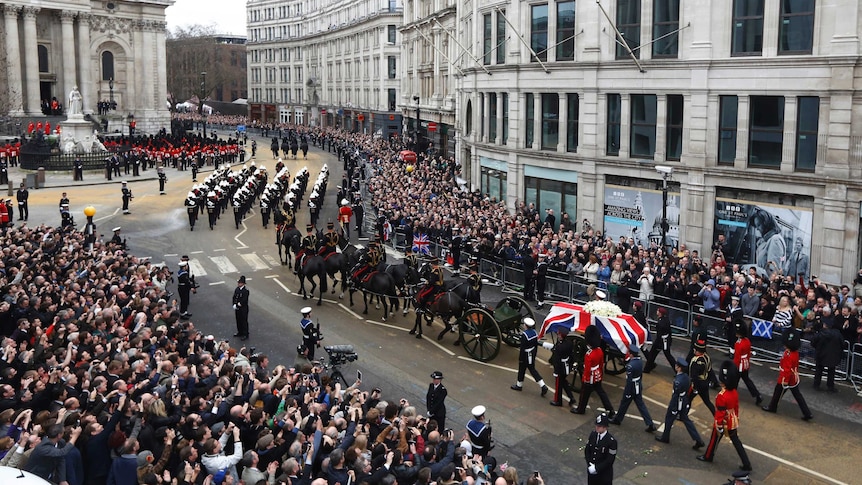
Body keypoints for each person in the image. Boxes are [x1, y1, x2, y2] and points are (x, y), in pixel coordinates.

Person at [697, 361, 753, 472]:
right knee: (736, 441)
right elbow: (736, 408)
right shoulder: (734, 392)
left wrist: (718, 424)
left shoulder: (722, 396)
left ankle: (708, 456)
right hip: (732, 420)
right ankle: (746, 463)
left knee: (714, 438)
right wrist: (735, 418)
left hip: (723, 422)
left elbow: (720, 413)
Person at [762, 328, 813, 420]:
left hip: (786, 378)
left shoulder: (789, 354)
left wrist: (784, 381)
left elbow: (787, 369)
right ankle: (807, 413)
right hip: (793, 377)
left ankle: (772, 407)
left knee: (778, 392)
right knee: (797, 395)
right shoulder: (794, 353)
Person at [655, 357, 705, 450]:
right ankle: (698, 440)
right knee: (686, 420)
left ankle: (665, 437)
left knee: (669, 418)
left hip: (677, 401)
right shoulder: (686, 378)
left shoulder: (678, 380)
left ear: (679, 368)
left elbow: (676, 395)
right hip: (684, 400)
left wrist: (674, 407)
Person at [609, 344, 655, 432]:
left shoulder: (631, 365)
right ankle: (650, 423)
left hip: (632, 387)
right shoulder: (639, 362)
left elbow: (629, 381)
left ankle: (618, 419)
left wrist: (627, 393)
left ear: (631, 354)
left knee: (624, 403)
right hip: (638, 385)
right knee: (641, 405)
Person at [572, 326, 615, 418]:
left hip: (590, 378)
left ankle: (580, 409)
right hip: (597, 375)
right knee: (601, 393)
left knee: (584, 394)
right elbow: (600, 364)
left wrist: (585, 379)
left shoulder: (589, 354)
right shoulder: (599, 350)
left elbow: (587, 370)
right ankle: (610, 409)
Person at [510, 317, 549, 396]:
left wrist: (520, 359)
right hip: (532, 354)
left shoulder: (525, 335)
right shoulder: (534, 333)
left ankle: (519, 385)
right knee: (532, 370)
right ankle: (542, 385)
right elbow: (535, 345)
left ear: (525, 326)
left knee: (522, 370)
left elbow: (522, 348)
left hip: (525, 355)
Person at [542, 328, 575, 408]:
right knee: (564, 383)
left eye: (559, 334)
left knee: (558, 385)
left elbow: (556, 360)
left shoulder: (560, 347)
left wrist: (556, 371)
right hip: (567, 366)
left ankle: (558, 400)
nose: (558, 335)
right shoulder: (569, 343)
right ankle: (571, 397)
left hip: (561, 368)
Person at [811, 320, 844, 393]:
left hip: (821, 354)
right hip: (833, 355)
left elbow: (813, 343)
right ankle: (830, 387)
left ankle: (816, 385)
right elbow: (842, 343)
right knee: (831, 371)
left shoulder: (819, 334)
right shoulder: (837, 333)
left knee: (819, 370)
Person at [733, 324, 763, 405]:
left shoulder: (738, 343)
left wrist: (735, 365)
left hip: (739, 365)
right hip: (745, 363)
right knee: (747, 380)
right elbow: (748, 353)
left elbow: (737, 357)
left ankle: (732, 397)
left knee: (734, 382)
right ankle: (757, 395)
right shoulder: (747, 340)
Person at [584, 413, 616, 485]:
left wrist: (597, 468)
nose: (597, 427)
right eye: (596, 425)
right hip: (592, 474)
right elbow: (587, 450)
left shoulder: (611, 441)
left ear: (605, 427)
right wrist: (589, 464)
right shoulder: (593, 435)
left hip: (604, 475)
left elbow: (610, 460)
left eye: (599, 426)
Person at [689, 339, 716, 415]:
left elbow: (694, 376)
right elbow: (710, 370)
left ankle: (683, 415)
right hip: (705, 383)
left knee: (688, 399)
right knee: (707, 402)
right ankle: (716, 417)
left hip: (698, 384)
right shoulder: (707, 357)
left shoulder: (696, 361)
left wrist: (694, 387)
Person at [644, 307, 675, 373]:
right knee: (667, 356)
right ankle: (648, 368)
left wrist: (658, 344)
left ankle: (647, 368)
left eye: (658, 311)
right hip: (665, 340)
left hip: (661, 341)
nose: (657, 312)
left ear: (660, 313)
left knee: (652, 355)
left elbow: (659, 334)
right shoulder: (666, 320)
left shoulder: (660, 322)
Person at [233, 275, 250, 340]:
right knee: (238, 320)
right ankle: (240, 332)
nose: (238, 284)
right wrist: (234, 304)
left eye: (239, 283)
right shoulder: (237, 289)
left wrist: (238, 304)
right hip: (237, 308)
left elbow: (244, 300)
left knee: (244, 321)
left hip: (243, 309)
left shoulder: (245, 291)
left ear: (243, 283)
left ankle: (245, 334)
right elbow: (234, 297)